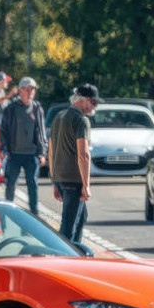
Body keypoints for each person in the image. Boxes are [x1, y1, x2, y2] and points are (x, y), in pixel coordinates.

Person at [49, 83, 99, 243]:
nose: (94, 106)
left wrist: (54, 180)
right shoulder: (81, 120)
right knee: (67, 227)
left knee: (81, 217)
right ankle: (64, 259)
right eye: (93, 101)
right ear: (81, 100)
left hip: (61, 178)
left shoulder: (59, 116)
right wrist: (86, 184)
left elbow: (51, 150)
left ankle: (77, 253)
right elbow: (83, 154)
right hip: (73, 179)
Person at [0, 77, 47, 213]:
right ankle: (7, 212)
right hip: (14, 154)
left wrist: (42, 153)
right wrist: (4, 150)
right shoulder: (11, 108)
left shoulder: (37, 108)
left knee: (33, 184)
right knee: (11, 184)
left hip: (32, 154)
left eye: (32, 89)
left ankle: (34, 215)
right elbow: (3, 130)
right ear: (19, 91)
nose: (29, 91)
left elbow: (41, 132)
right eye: (26, 89)